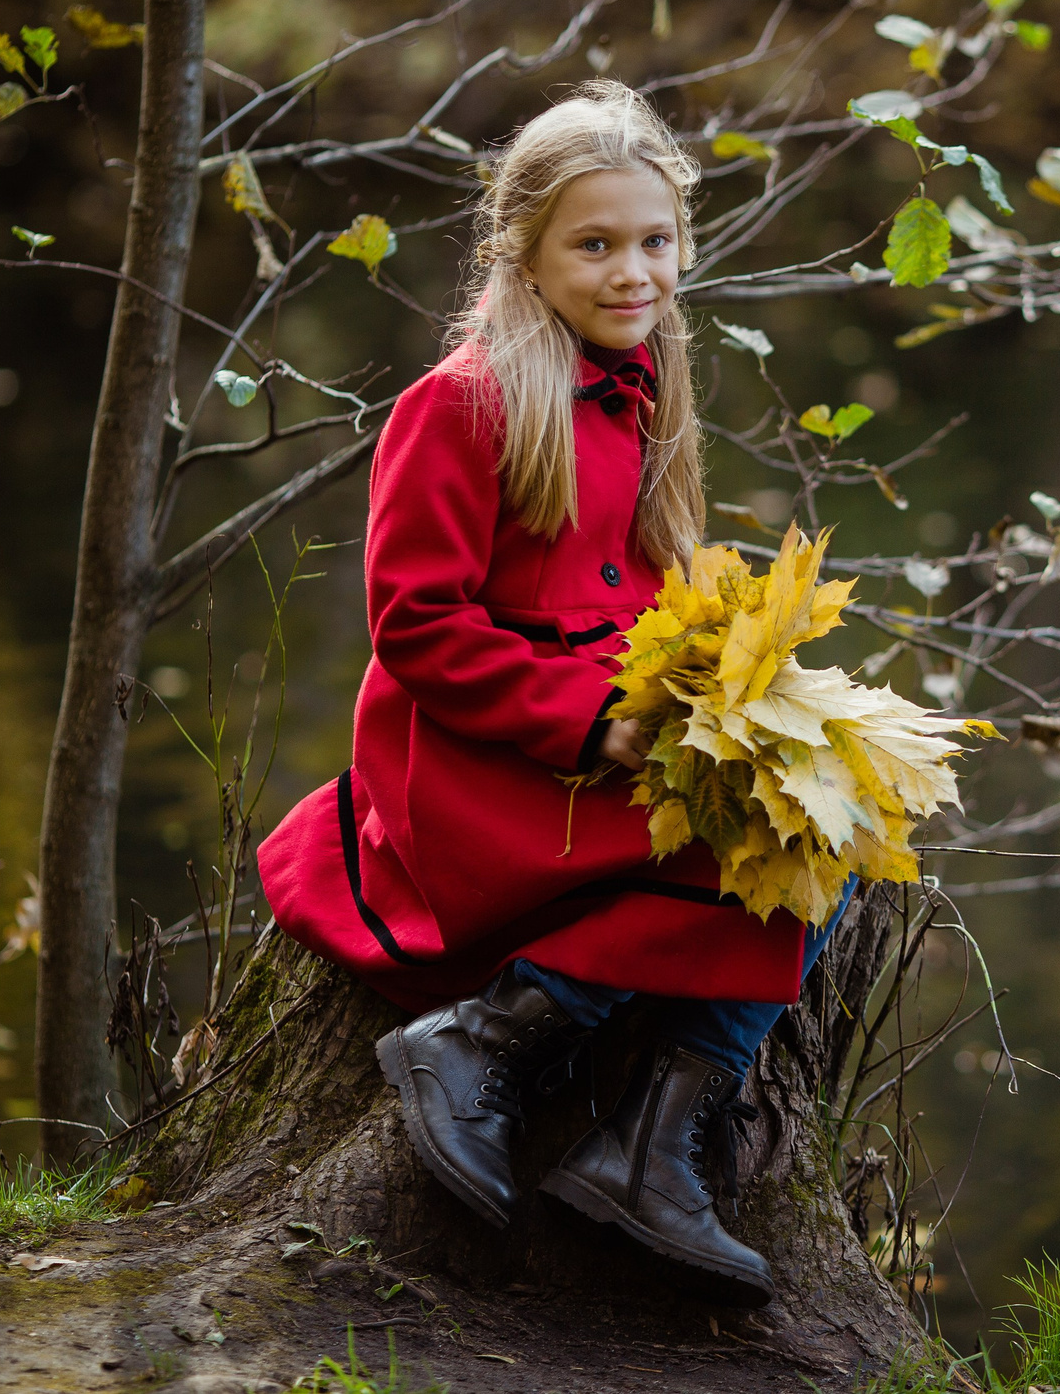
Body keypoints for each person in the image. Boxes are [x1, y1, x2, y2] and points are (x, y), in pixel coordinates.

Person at [255, 81, 846, 1308]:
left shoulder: (643, 396)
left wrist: (731, 700)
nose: (633, 272)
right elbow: (415, 626)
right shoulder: (463, 404)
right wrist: (593, 723)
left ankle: (649, 1144)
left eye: (655, 240)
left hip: (608, 738)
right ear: (521, 252)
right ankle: (482, 1043)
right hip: (490, 759)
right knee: (734, 851)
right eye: (595, 244)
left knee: (823, 828)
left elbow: (634, 604)